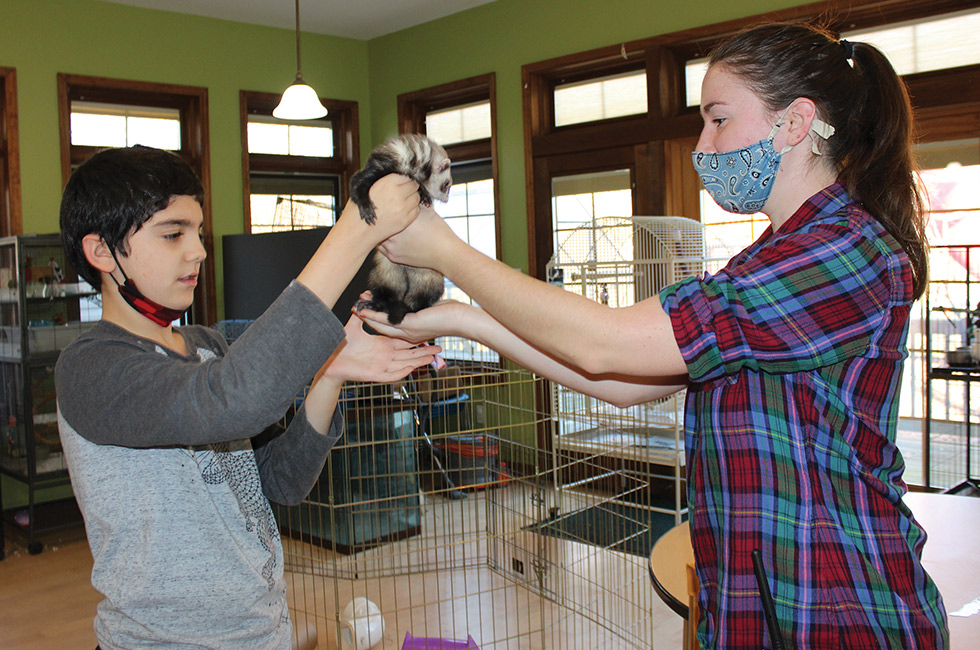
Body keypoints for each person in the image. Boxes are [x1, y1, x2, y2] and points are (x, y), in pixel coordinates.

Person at [360, 22, 949, 650]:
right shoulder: (770, 258)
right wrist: (460, 317)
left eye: (717, 119)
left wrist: (446, 251)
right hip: (755, 601)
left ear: (795, 123)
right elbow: (616, 382)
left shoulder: (844, 254)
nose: (702, 143)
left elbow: (606, 344)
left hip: (836, 610)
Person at [56, 145, 438, 650]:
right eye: (172, 234)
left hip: (263, 633)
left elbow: (280, 481)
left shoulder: (207, 347)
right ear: (102, 252)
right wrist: (358, 225)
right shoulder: (92, 368)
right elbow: (237, 399)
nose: (197, 251)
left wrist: (330, 373)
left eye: (196, 231)